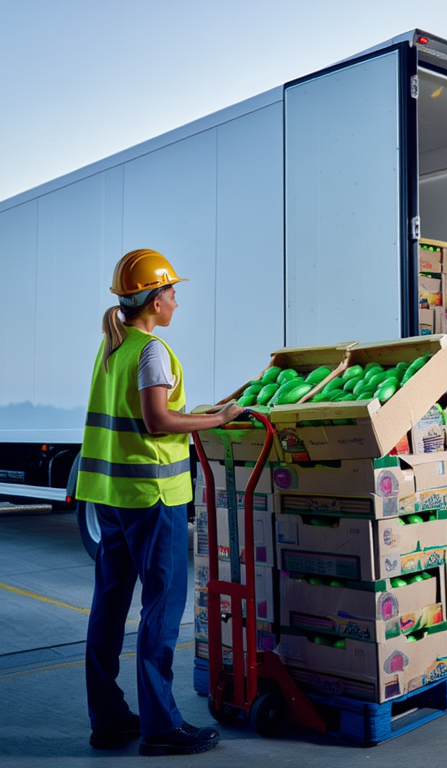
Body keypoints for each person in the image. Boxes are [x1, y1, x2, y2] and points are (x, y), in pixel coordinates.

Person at [77, 249, 245, 756]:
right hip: (152, 497)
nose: (176, 300)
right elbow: (157, 421)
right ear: (154, 300)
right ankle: (160, 727)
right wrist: (218, 420)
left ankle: (109, 720)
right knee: (162, 607)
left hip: (112, 497)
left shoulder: (114, 345)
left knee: (109, 607)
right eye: (172, 291)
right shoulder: (151, 351)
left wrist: (202, 411)